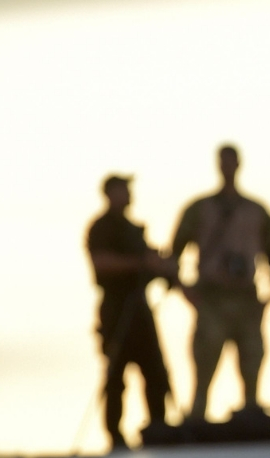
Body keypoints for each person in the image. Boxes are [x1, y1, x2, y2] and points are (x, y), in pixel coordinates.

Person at [170, 145, 270, 421]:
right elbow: (174, 254)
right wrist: (185, 290)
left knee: (252, 362)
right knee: (204, 369)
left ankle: (251, 416)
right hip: (212, 300)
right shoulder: (201, 209)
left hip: (246, 299)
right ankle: (197, 420)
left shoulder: (255, 210)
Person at [86, 175, 175, 449]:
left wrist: (161, 268)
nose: (128, 194)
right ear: (110, 193)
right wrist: (140, 263)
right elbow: (102, 264)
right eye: (123, 190)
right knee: (115, 376)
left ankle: (158, 429)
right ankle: (115, 436)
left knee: (155, 373)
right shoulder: (101, 228)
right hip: (115, 307)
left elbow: (152, 264)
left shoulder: (133, 229)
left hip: (139, 309)